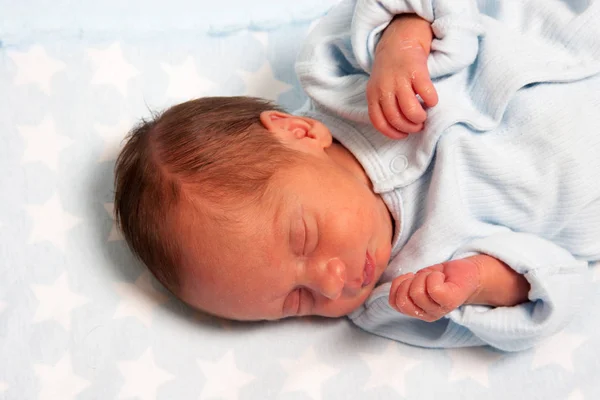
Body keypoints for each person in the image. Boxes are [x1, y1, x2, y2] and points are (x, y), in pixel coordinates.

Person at [114, 0, 600, 351]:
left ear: (299, 133)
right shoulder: (405, 289)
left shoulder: (341, 79)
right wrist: (478, 283)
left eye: (304, 238)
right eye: (297, 301)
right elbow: (559, 284)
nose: (330, 283)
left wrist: (403, 43)